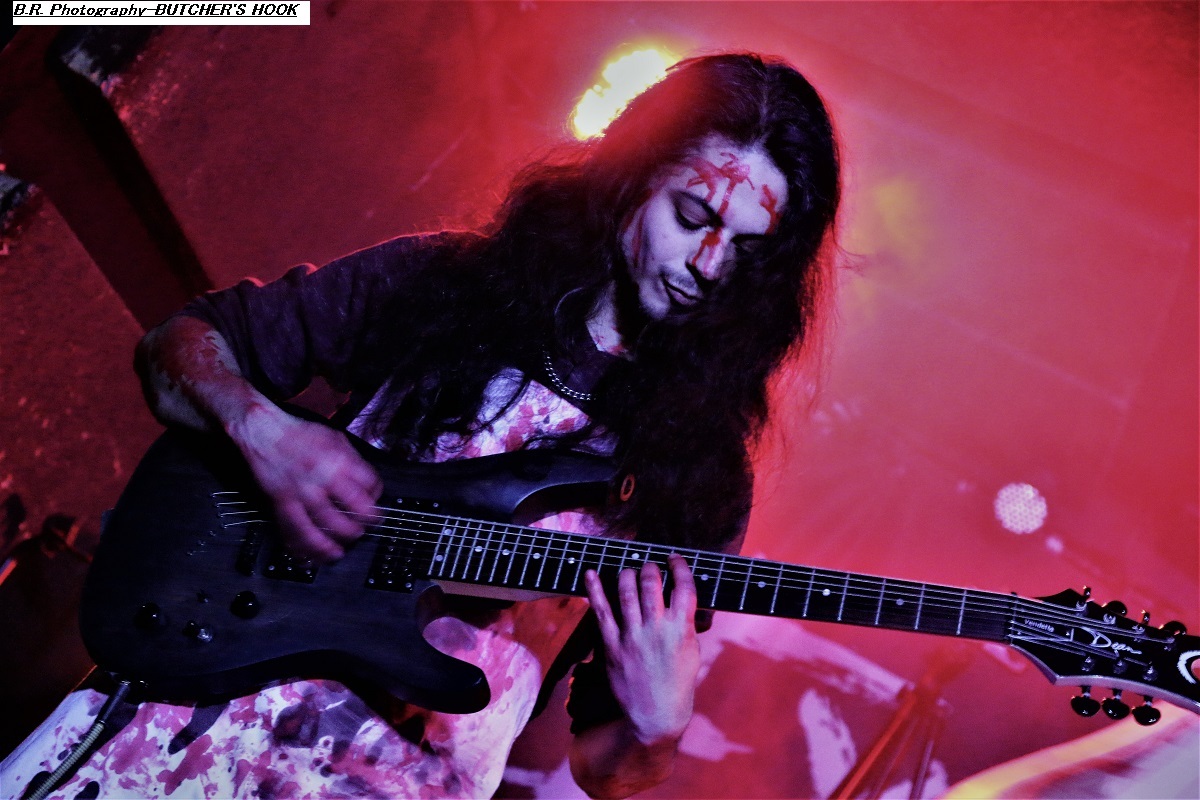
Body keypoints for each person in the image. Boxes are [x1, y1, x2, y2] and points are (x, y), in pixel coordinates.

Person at [2, 52, 840, 799]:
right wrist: (265, 434)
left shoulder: (702, 482)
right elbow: (178, 347)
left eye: (746, 250)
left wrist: (655, 730)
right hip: (187, 719)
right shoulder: (450, 280)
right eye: (692, 215)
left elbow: (604, 768)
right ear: (632, 177)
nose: (709, 265)